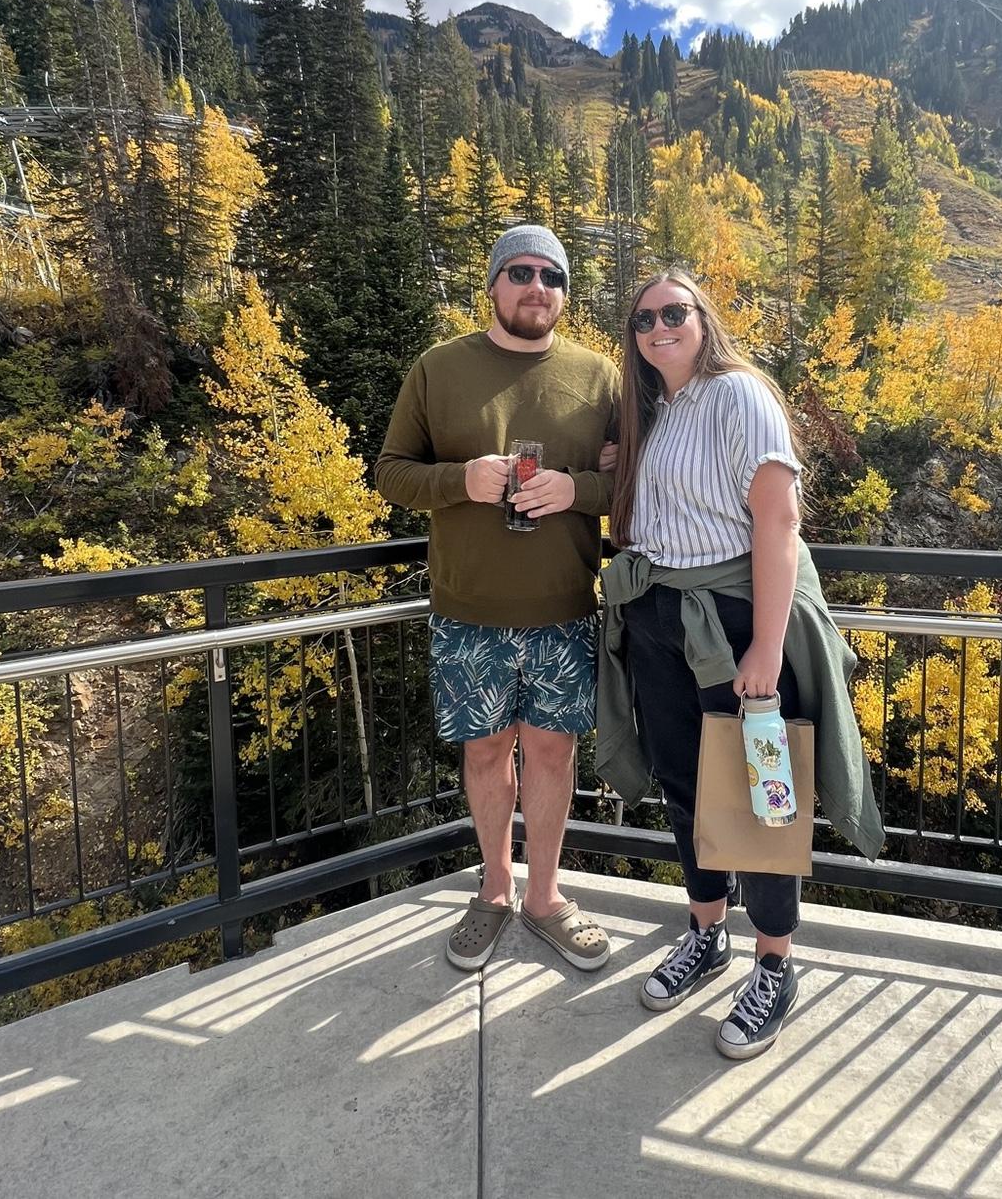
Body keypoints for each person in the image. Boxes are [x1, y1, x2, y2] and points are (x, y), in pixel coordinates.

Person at [596, 270, 884, 1059]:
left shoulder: (739, 394)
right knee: (688, 786)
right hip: (660, 620)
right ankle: (707, 931)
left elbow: (779, 521)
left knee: (763, 797)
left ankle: (775, 962)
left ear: (702, 317)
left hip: (729, 625)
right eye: (644, 317)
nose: (659, 327)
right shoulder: (659, 411)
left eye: (673, 312)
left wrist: (765, 644)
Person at [375, 225, 619, 974]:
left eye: (553, 275)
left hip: (565, 608)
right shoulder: (438, 368)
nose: (537, 286)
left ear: (565, 293)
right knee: (485, 754)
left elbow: (634, 484)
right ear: (492, 283)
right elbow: (390, 473)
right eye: (520, 271)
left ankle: (545, 899)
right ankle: (493, 891)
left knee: (553, 754)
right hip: (468, 610)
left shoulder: (600, 376)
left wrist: (580, 489)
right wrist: (462, 481)